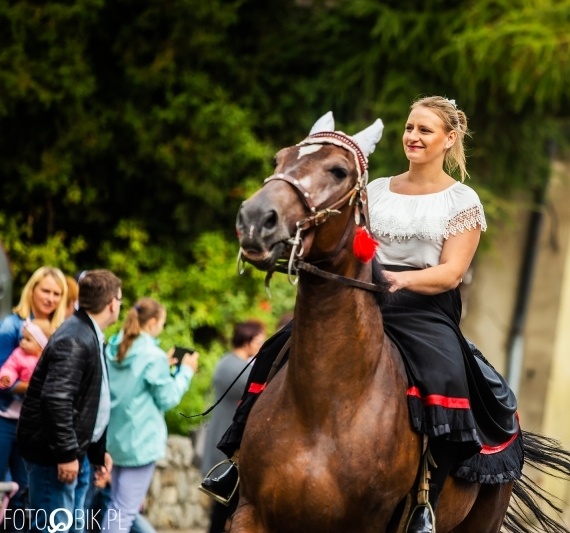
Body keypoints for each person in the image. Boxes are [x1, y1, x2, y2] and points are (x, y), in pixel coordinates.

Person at [201, 96, 521, 533]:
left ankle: (425, 499)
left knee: (445, 374)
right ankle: (238, 465)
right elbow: (347, 242)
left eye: (425, 130)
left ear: (449, 139)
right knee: (274, 351)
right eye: (409, 128)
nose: (413, 137)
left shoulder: (462, 200)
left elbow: (451, 273)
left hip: (423, 309)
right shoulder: (376, 189)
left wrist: (398, 280)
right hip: (361, 297)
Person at [17, 269, 120, 533]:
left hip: (77, 452)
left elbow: (89, 401)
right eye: (120, 300)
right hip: (55, 456)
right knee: (52, 529)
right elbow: (56, 399)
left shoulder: (88, 332)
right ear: (112, 303)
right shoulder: (75, 337)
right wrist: (65, 454)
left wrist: (97, 451)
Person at [104, 297, 199, 533]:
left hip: (115, 440)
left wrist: (162, 365)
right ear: (153, 322)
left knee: (117, 506)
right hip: (140, 444)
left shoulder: (115, 346)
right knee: (124, 512)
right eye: (162, 324)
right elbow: (168, 398)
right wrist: (186, 372)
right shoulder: (152, 356)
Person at [200, 320, 265, 533]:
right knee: (223, 510)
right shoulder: (234, 367)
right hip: (227, 443)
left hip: (223, 437)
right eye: (258, 340)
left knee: (224, 508)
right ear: (247, 341)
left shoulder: (229, 362)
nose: (261, 345)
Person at [0, 318, 54, 530]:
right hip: (7, 417)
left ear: (40, 344)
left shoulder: (46, 361)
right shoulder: (18, 355)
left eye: (28, 340)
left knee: (23, 483)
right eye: (22, 338)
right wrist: (6, 378)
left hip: (30, 423)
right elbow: (9, 368)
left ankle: (17, 526)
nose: (22, 342)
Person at [0, 266, 68, 366]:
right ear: (31, 290)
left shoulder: (63, 329)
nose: (50, 299)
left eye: (56, 294)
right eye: (45, 291)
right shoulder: (10, 326)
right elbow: (3, 370)